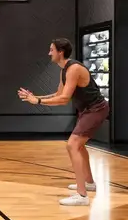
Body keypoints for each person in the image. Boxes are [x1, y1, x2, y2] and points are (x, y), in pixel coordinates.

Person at [17, 38, 109, 206]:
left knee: (72, 145)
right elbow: (58, 94)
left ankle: (82, 196)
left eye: (51, 50)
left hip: (96, 109)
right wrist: (35, 97)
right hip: (87, 110)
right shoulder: (64, 70)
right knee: (79, 146)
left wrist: (38, 101)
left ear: (61, 52)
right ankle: (89, 183)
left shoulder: (74, 69)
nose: (49, 53)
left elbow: (64, 99)